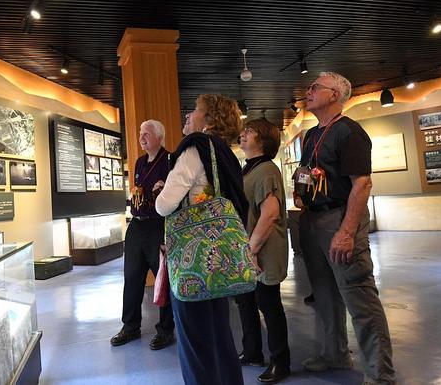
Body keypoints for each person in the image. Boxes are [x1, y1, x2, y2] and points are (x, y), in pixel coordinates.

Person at [295, 72, 395, 384]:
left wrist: (347, 231)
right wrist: (300, 190)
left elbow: (361, 184)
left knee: (359, 296)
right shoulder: (312, 135)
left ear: (334, 96)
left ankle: (381, 373)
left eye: (315, 87)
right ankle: (334, 353)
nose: (308, 91)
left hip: (339, 219)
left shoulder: (349, 132)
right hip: (312, 219)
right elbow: (306, 170)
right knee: (324, 294)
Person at [156, 94, 249, 385]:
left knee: (195, 339)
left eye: (195, 111)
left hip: (193, 258)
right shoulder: (226, 153)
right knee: (220, 334)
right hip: (218, 255)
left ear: (209, 120)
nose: (187, 115)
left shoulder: (195, 148)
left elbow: (164, 204)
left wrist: (162, 191)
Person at [110, 119, 175, 350]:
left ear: (159, 137)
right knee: (132, 278)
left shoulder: (169, 160)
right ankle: (130, 327)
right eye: (140, 133)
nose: (142, 137)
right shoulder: (138, 163)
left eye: (147, 133)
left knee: (162, 280)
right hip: (137, 226)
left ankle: (166, 330)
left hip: (158, 226)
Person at [235, 118, 291, 384]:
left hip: (263, 250)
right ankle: (252, 351)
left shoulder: (266, 170)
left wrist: (251, 250)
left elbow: (269, 215)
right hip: (251, 249)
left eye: (250, 132)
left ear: (264, 140)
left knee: (269, 305)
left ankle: (281, 362)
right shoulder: (250, 169)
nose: (243, 135)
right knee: (246, 302)